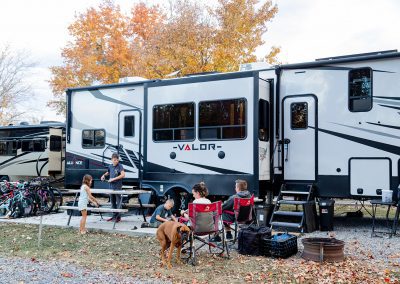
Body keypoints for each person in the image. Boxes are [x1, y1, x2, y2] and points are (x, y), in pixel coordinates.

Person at [101, 153, 125, 222]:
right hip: (111, 187)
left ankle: (118, 217)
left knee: (118, 202)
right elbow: (108, 172)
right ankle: (114, 216)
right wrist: (103, 175)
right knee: (112, 202)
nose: (116, 161)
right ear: (111, 160)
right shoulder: (110, 166)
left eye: (117, 160)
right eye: (114, 160)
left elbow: (123, 175)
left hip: (117, 187)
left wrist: (113, 179)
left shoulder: (120, 166)